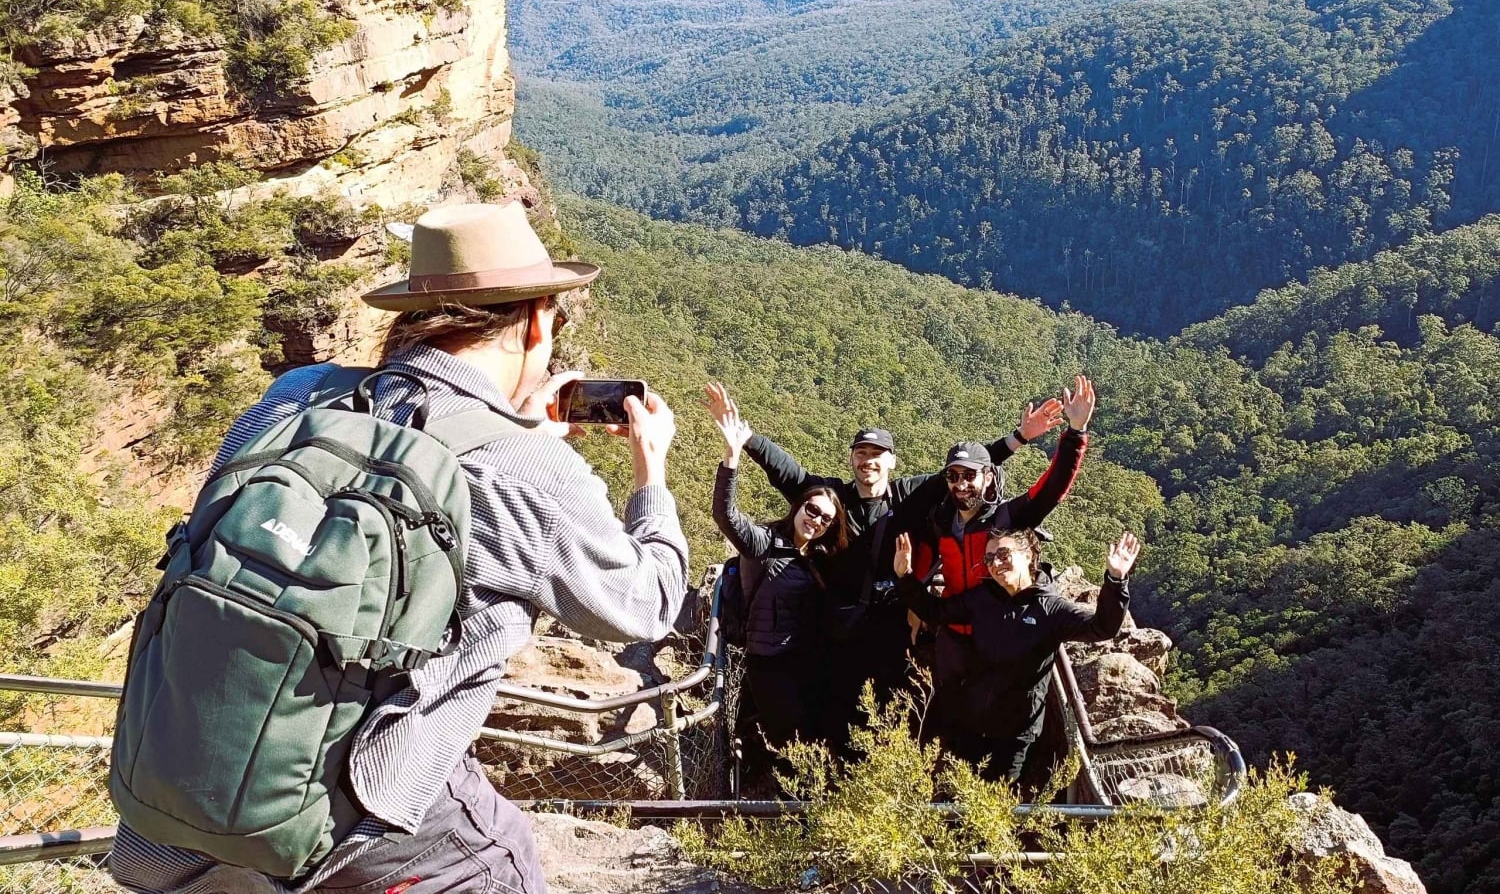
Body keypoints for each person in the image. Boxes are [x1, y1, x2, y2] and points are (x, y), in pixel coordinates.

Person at [110, 202, 690, 894]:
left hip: (169, 799)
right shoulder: (526, 468)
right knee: (501, 852)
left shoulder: (291, 398)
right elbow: (648, 605)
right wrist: (649, 474)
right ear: (537, 320)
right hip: (356, 827)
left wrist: (515, 431)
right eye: (554, 321)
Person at [703, 381, 1067, 753]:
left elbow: (964, 470)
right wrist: (745, 438)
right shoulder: (835, 498)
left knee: (883, 708)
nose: (869, 460)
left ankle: (874, 776)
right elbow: (788, 472)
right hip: (834, 624)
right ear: (852, 459)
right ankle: (827, 780)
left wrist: (1020, 437)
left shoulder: (907, 496)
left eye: (878, 453)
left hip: (888, 625)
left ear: (891, 461)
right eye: (862, 452)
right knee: (831, 706)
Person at [908, 375, 1095, 749]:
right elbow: (922, 563)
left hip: (995, 630)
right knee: (951, 711)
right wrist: (915, 609)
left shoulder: (1005, 520)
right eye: (953, 476)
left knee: (997, 710)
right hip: (952, 631)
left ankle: (1004, 781)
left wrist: (1075, 433)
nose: (961, 484)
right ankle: (954, 777)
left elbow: (1051, 489)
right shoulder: (940, 522)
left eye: (969, 476)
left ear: (988, 478)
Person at [895, 527, 1139, 783]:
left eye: (1004, 554)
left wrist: (1115, 580)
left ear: (1029, 555)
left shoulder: (1049, 609)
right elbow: (936, 612)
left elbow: (1101, 627)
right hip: (969, 722)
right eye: (989, 559)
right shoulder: (983, 599)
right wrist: (906, 577)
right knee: (958, 797)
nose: (996, 564)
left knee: (998, 807)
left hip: (1014, 735)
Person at [708, 383, 849, 756]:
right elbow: (726, 516)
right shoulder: (765, 543)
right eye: (812, 510)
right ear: (799, 507)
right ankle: (781, 808)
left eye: (826, 519)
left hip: (808, 662)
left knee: (807, 740)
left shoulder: (820, 557)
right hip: (769, 663)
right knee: (792, 744)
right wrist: (732, 457)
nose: (817, 520)